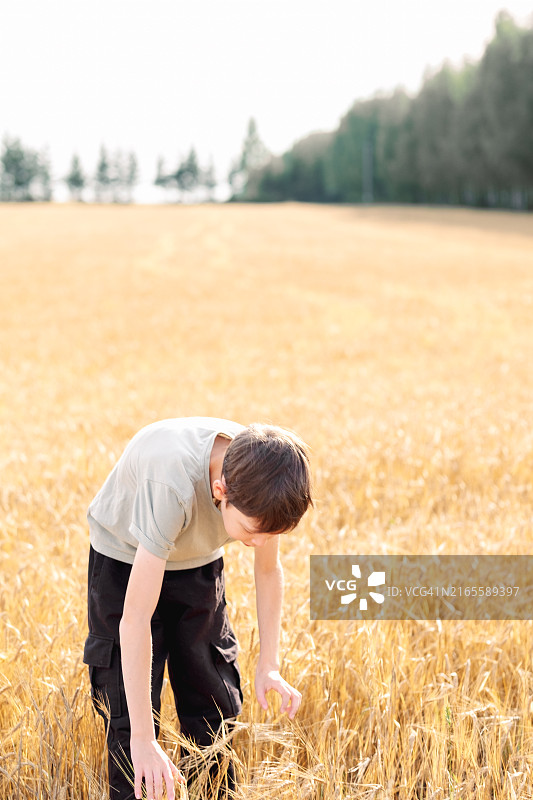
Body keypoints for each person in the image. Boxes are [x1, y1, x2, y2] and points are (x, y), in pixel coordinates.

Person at [83, 417, 313, 800]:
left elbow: (269, 570)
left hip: (199, 561)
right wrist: (142, 737)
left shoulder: (261, 480)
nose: (259, 543)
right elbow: (135, 618)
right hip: (125, 559)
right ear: (220, 490)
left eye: (269, 534)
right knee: (129, 716)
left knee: (214, 696)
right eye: (252, 532)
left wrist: (268, 664)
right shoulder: (172, 482)